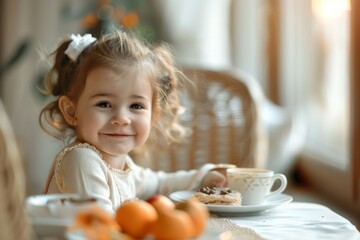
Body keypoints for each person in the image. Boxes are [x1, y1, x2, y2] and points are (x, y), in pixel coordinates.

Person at [40, 30, 227, 214]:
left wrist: (204, 177)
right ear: (72, 111)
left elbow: (161, 184)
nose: (121, 118)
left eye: (136, 106)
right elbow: (101, 228)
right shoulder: (81, 160)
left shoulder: (123, 166)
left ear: (153, 115)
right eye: (104, 104)